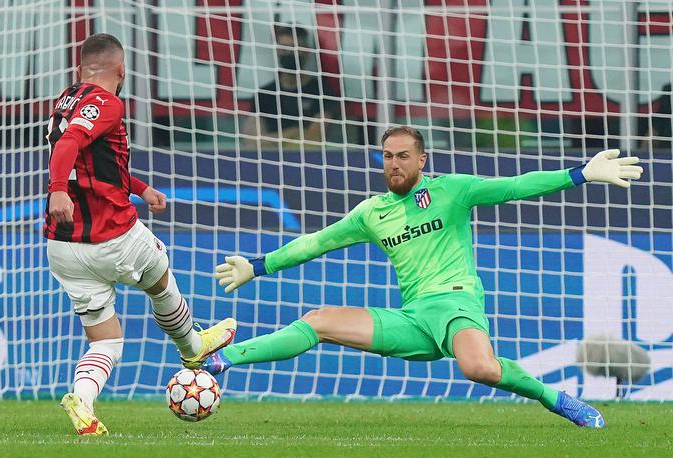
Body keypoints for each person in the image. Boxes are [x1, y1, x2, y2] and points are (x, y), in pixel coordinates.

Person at [207, 126, 643, 428]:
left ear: (421, 159)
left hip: (456, 304)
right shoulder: (372, 213)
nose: (393, 164)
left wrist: (580, 174)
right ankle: (223, 360)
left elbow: (515, 186)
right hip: (414, 318)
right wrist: (258, 265)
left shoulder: (452, 190)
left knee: (479, 369)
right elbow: (315, 243)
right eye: (387, 156)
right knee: (319, 320)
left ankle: (557, 400)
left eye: (402, 156)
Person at [44, 33, 236, 436]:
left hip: (63, 246)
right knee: (160, 272)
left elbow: (95, 161)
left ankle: (83, 400)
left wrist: (141, 188)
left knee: (107, 342)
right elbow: (71, 144)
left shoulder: (66, 100)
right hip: (111, 237)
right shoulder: (106, 102)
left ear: (80, 69)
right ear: (122, 70)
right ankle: (193, 348)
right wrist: (57, 188)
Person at [242, 25, 340, 149]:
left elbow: (314, 138)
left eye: (294, 48)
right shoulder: (264, 95)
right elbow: (252, 140)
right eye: (284, 49)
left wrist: (273, 138)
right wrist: (293, 133)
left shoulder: (322, 92)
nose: (289, 53)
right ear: (277, 51)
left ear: (306, 51)